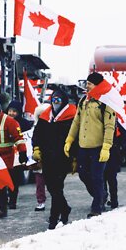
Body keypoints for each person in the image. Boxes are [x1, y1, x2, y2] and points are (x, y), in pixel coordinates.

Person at [64, 72, 116, 218]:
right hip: (83, 147)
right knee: (83, 175)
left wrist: (106, 146)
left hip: (98, 147)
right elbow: (76, 121)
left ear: (97, 85)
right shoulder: (83, 101)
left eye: (90, 84)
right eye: (87, 83)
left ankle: (96, 207)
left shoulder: (106, 102)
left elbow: (109, 126)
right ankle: (101, 195)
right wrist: (69, 139)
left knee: (97, 176)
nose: (87, 86)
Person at [32, 89, 76, 229]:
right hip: (47, 157)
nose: (55, 102)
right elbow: (37, 134)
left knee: (57, 187)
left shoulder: (71, 116)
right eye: (54, 99)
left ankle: (53, 219)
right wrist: (36, 148)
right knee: (51, 187)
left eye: (58, 100)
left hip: (63, 157)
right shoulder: (45, 116)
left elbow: (75, 138)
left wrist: (75, 157)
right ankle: (65, 208)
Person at [0, 98, 27, 218]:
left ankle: (2, 209)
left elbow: (19, 138)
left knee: (1, 185)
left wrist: (23, 152)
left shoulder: (9, 121)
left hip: (5, 158)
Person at [5, 100, 34, 209]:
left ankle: (12, 200)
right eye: (10, 111)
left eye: (14, 111)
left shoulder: (24, 123)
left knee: (14, 179)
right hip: (6, 154)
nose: (11, 113)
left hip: (17, 156)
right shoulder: (4, 121)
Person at [31, 103, 50, 212]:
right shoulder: (35, 128)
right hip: (38, 158)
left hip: (51, 158)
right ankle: (40, 201)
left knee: (53, 182)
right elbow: (33, 141)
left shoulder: (54, 126)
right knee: (39, 182)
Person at [104, 122, 122, 209]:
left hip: (107, 154)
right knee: (112, 181)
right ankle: (114, 201)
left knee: (103, 180)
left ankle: (103, 199)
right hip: (113, 155)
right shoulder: (115, 127)